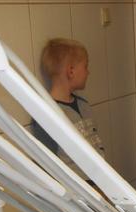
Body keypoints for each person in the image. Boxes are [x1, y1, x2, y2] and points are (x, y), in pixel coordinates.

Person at [32, 38, 106, 174]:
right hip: (75, 185)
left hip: (100, 180)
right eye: (85, 67)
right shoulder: (47, 113)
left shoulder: (83, 105)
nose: (88, 72)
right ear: (71, 71)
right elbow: (47, 164)